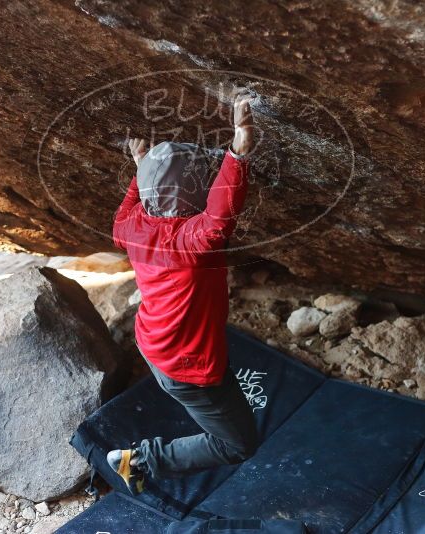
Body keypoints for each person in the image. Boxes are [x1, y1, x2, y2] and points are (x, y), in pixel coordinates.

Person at [108, 94, 259, 494]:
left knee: (211, 401)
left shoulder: (131, 229)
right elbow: (220, 212)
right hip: (189, 367)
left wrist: (142, 170)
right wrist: (238, 148)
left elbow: (133, 204)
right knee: (237, 443)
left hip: (154, 344)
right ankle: (140, 460)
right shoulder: (191, 244)